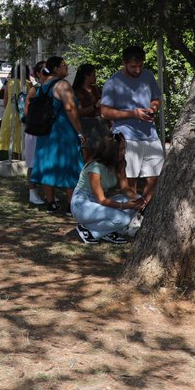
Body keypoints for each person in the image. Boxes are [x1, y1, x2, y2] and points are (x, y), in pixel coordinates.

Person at [100, 45, 164, 207]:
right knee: (130, 181)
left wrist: (153, 108)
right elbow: (105, 113)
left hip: (150, 135)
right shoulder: (112, 83)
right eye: (133, 66)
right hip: (126, 137)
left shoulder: (148, 76)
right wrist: (133, 114)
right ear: (124, 63)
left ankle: (143, 210)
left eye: (140, 66)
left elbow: (156, 99)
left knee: (155, 177)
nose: (137, 70)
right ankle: (132, 215)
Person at [32, 56, 85, 213]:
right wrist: (80, 131)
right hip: (63, 132)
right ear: (55, 68)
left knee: (48, 164)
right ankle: (70, 205)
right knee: (70, 165)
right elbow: (70, 109)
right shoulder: (62, 85)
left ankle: (51, 203)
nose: (66, 67)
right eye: (63, 65)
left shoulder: (43, 86)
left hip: (45, 132)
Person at [72, 131, 143, 244]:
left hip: (97, 202)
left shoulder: (120, 163)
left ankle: (109, 230)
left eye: (124, 148)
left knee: (137, 198)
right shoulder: (95, 168)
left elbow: (125, 188)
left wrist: (138, 199)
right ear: (111, 151)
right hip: (82, 205)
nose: (124, 152)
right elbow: (102, 199)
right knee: (124, 219)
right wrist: (124, 206)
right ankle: (89, 231)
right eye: (120, 149)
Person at [23, 61, 50, 205]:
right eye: (45, 70)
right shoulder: (35, 89)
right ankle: (32, 191)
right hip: (35, 131)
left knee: (46, 162)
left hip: (45, 130)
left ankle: (48, 192)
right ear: (39, 73)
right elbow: (27, 111)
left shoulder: (50, 87)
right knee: (32, 162)